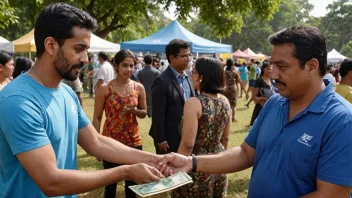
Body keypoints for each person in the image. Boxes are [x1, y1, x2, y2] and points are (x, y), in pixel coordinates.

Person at [160, 26, 352, 198]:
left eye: (282, 66)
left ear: (311, 66)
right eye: (272, 65)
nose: (273, 74)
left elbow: (331, 194)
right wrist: (191, 162)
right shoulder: (275, 103)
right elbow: (245, 153)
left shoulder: (341, 120)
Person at [0, 3, 164, 198]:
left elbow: (95, 142)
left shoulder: (66, 93)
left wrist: (154, 159)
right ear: (51, 45)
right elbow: (50, 182)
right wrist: (125, 171)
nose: (85, 59)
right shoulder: (19, 102)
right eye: (79, 49)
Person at [173, 57, 230, 198]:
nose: (191, 75)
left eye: (193, 72)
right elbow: (226, 138)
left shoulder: (193, 103)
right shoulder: (225, 101)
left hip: (195, 168)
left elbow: (187, 144)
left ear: (202, 77)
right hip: (218, 164)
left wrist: (176, 170)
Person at [93, 49, 148, 198]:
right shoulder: (105, 88)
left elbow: (144, 112)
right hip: (110, 143)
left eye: (132, 66)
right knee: (110, 185)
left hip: (133, 142)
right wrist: (96, 144)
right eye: (125, 65)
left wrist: (136, 111)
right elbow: (97, 117)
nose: (129, 69)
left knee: (132, 186)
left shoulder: (138, 87)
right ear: (116, 66)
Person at [152, 39, 196, 154]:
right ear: (172, 58)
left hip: (187, 135)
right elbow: (158, 113)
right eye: (184, 56)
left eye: (189, 55)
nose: (188, 59)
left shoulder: (189, 78)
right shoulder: (161, 80)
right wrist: (161, 139)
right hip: (170, 138)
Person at [247, 62, 275, 127]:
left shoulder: (271, 80)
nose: (270, 71)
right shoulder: (259, 80)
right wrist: (264, 99)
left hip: (270, 109)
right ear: (263, 69)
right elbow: (255, 98)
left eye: (271, 69)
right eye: (268, 69)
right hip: (260, 109)